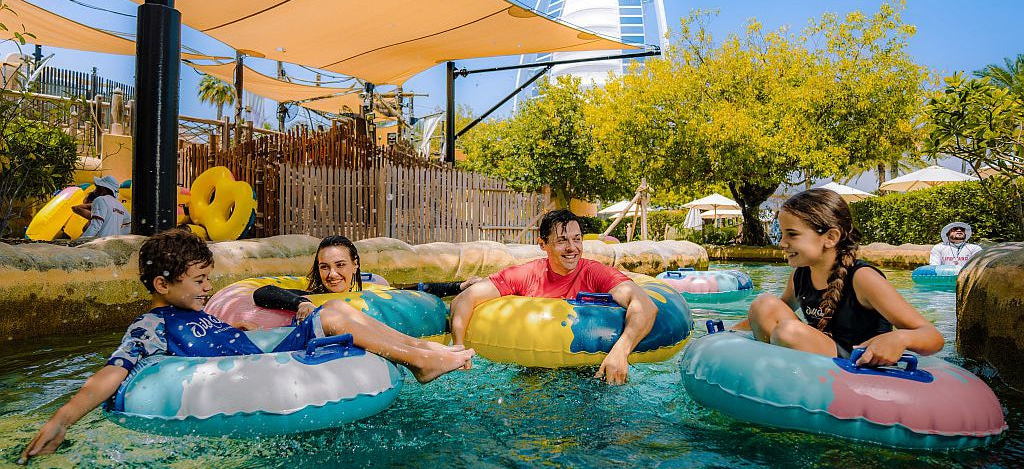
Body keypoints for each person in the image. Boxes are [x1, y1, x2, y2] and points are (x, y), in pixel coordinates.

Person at [20, 229, 473, 463]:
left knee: (337, 313)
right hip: (256, 365)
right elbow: (112, 373)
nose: (208, 286)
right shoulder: (151, 325)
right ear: (163, 283)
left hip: (264, 351)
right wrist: (63, 419)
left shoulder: (198, 313)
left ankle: (421, 354)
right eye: (199, 280)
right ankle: (421, 361)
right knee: (333, 314)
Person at [736, 188, 943, 366]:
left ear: (830, 238)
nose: (782, 243)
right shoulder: (799, 275)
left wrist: (899, 338)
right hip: (821, 351)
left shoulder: (862, 278)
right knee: (763, 304)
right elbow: (772, 314)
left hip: (855, 362)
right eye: (781, 234)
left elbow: (933, 337)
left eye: (792, 234)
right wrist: (728, 333)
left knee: (788, 332)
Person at [450, 209, 658, 385]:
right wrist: (459, 350)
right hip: (533, 371)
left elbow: (645, 306)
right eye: (562, 241)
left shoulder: (596, 274)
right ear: (543, 244)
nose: (572, 248)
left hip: (588, 373)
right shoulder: (528, 274)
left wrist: (621, 351)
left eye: (577, 239)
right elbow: (465, 299)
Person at [253, 235, 481, 321]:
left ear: (355, 265)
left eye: (340, 265)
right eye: (324, 267)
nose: (332, 275)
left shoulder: (371, 293)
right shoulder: (315, 296)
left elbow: (414, 289)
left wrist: (460, 285)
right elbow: (262, 292)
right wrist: (300, 303)